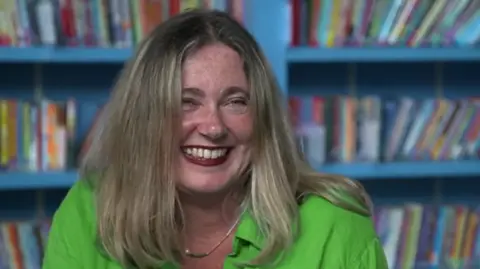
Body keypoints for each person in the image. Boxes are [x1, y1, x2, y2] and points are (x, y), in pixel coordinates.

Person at [42, 9, 388, 269]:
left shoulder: (334, 228)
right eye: (186, 102)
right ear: (145, 118)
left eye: (235, 102)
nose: (213, 127)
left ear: (262, 118)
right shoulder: (89, 212)